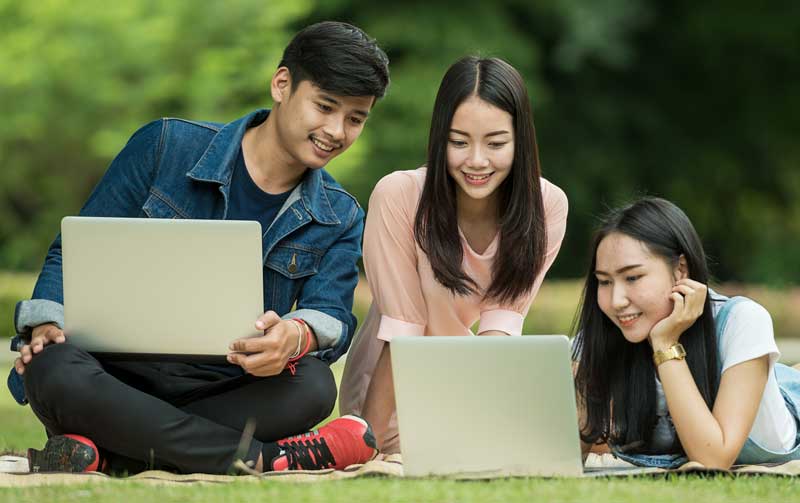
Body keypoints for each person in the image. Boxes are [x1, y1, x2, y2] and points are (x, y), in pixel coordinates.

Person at [9, 21, 389, 475]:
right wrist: (48, 322)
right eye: (325, 107)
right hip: (111, 374)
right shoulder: (164, 145)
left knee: (312, 385)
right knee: (51, 367)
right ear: (282, 84)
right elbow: (70, 252)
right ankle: (263, 459)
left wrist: (296, 336)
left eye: (355, 118)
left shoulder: (340, 214)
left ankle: (109, 451)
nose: (336, 130)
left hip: (226, 385)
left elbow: (330, 314)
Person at [339, 56, 569, 454]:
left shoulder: (546, 206)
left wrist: (484, 422)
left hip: (472, 376)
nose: (476, 161)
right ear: (438, 138)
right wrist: (368, 448)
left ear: (521, 141)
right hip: (388, 388)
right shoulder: (400, 196)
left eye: (496, 143)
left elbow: (500, 331)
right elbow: (402, 332)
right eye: (459, 142)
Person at [573, 197, 800, 469]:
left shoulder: (741, 320)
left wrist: (666, 344)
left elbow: (713, 460)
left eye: (632, 277)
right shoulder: (603, 334)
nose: (616, 300)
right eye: (604, 281)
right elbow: (564, 452)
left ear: (681, 269)